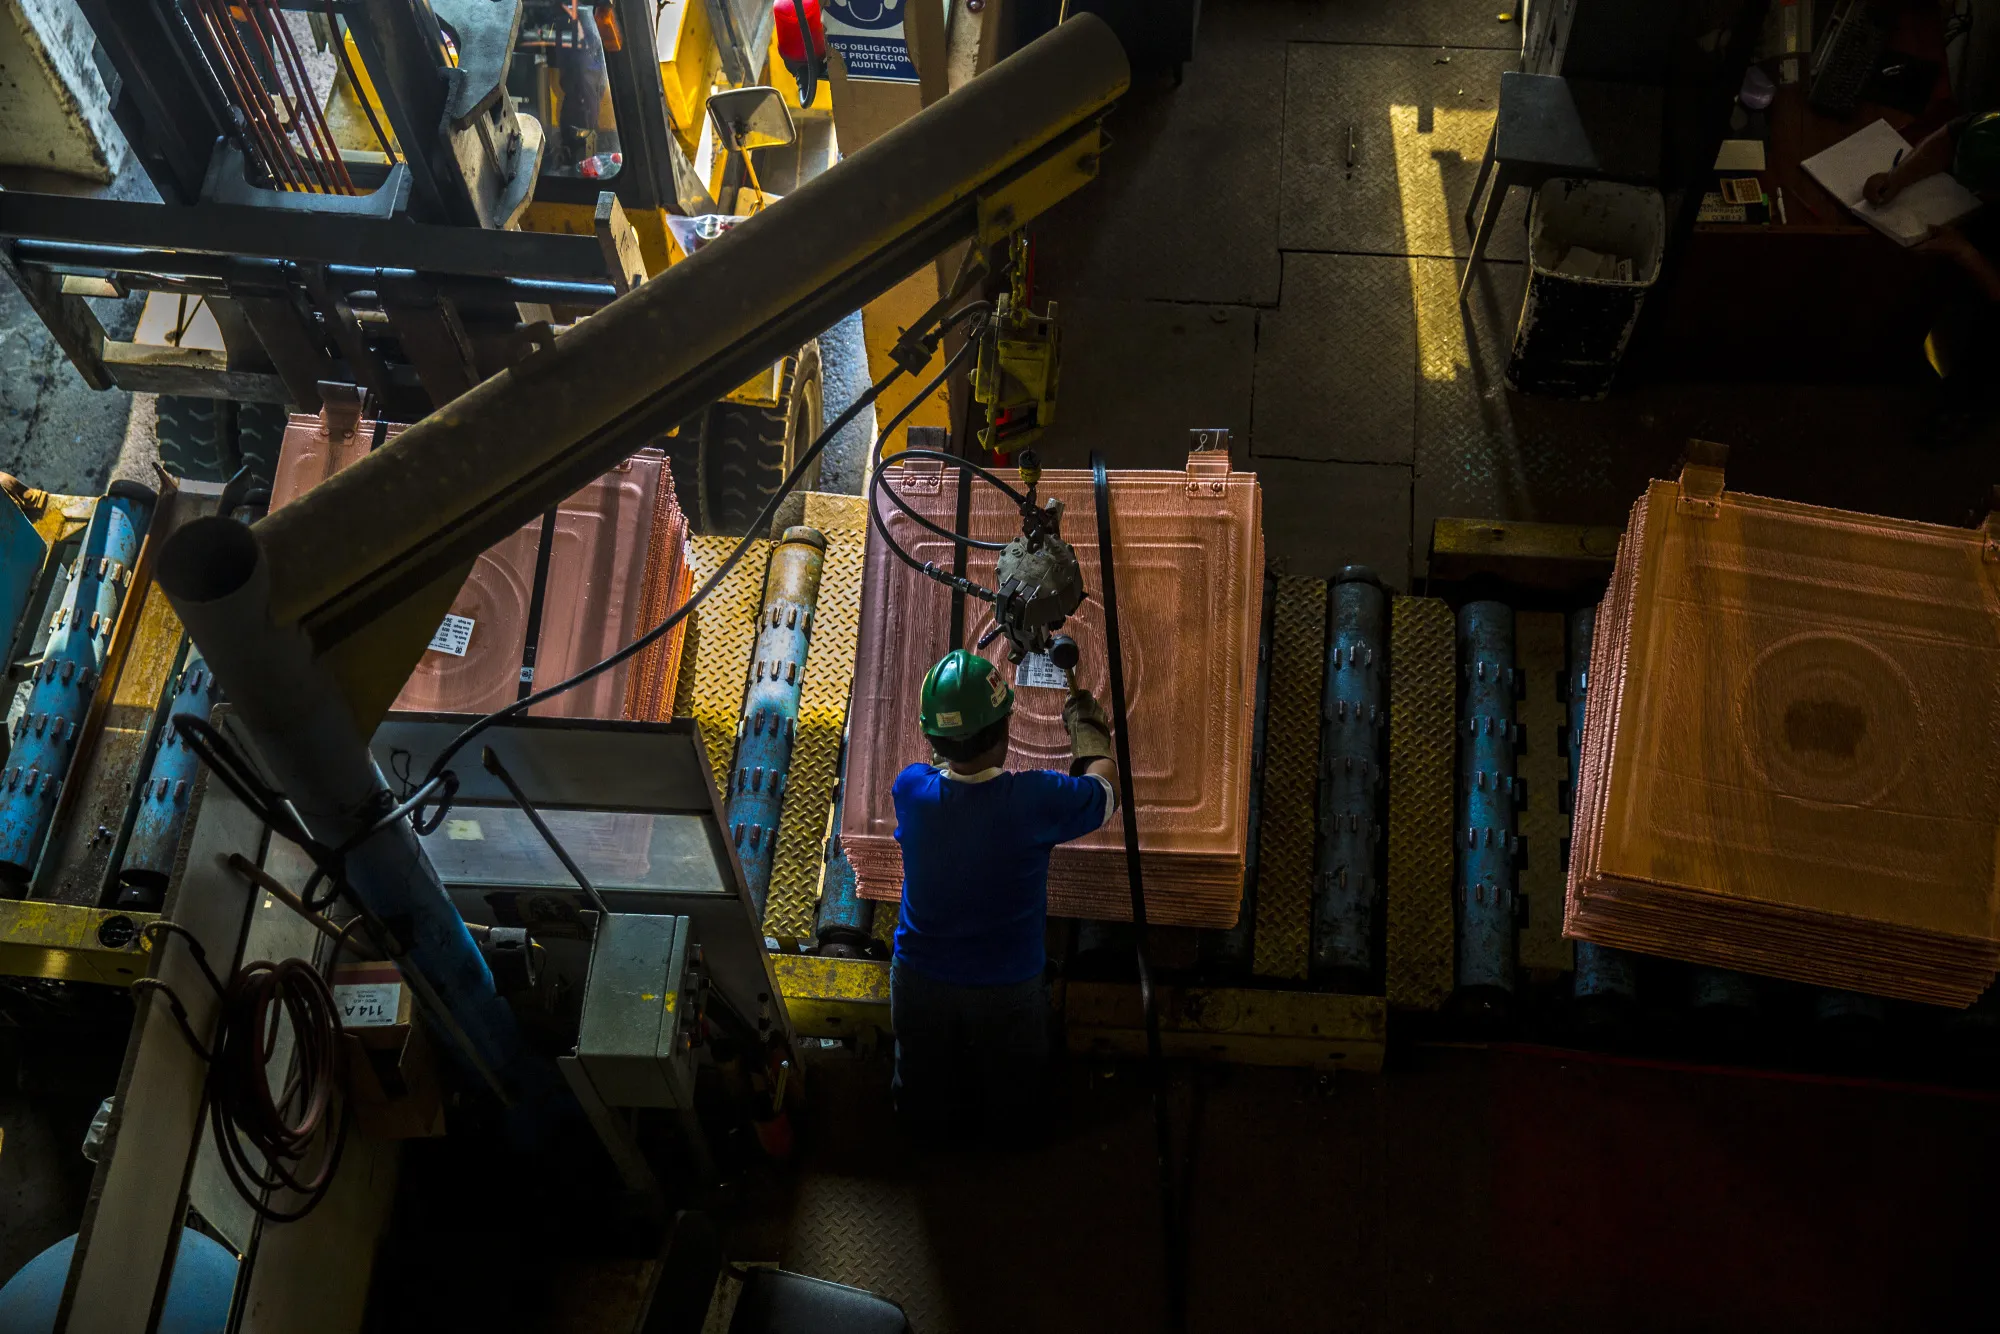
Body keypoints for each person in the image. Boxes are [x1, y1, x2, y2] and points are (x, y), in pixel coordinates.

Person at [887, 648, 1118, 1143]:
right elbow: (1103, 794)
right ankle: (1008, 1149)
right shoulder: (1035, 800)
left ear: (932, 737)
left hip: (918, 978)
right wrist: (1087, 725)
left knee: (921, 1084)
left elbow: (941, 775)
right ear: (1006, 728)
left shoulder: (909, 790)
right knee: (1013, 1086)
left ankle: (926, 1148)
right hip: (1007, 985)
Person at [1862, 110, 2000, 413]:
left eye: (1983, 191)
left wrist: (1967, 254)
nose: (1974, 194)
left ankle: (1963, 406)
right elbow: (1946, 140)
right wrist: (1897, 177)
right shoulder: (1991, 125)